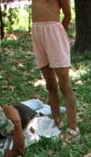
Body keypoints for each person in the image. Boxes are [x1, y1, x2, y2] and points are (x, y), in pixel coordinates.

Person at [31, 0, 78, 137]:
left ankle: (73, 127)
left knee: (64, 85)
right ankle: (57, 121)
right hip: (37, 32)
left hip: (54, 32)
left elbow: (68, 15)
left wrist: (58, 34)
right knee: (50, 84)